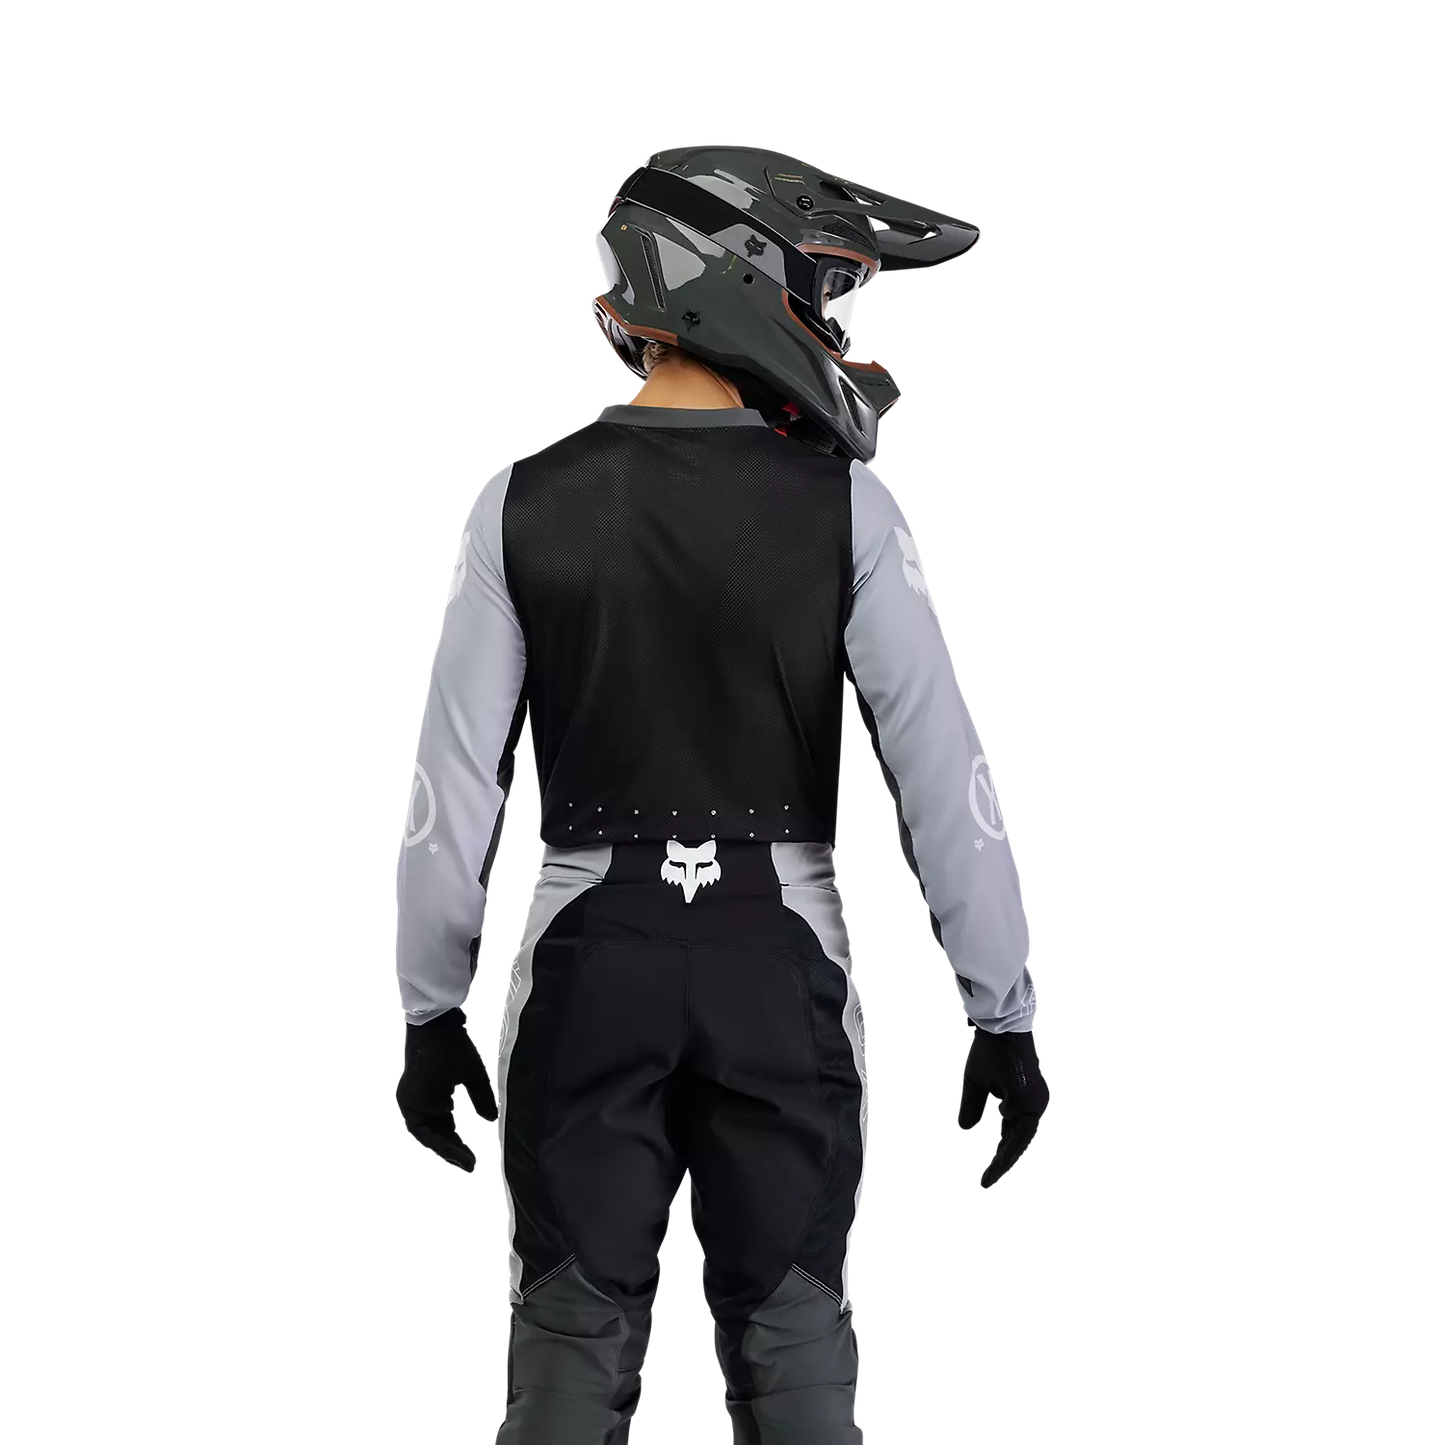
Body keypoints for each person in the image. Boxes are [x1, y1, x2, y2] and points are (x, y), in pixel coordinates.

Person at [392, 143, 1049, 1445]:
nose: (839, 323)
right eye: (830, 288)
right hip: (783, 962)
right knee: (799, 1360)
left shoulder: (513, 502)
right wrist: (1003, 1011)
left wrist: (428, 1009)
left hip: (584, 957)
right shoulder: (854, 509)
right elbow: (946, 782)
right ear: (742, 279)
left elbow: (448, 791)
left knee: (563, 1365)